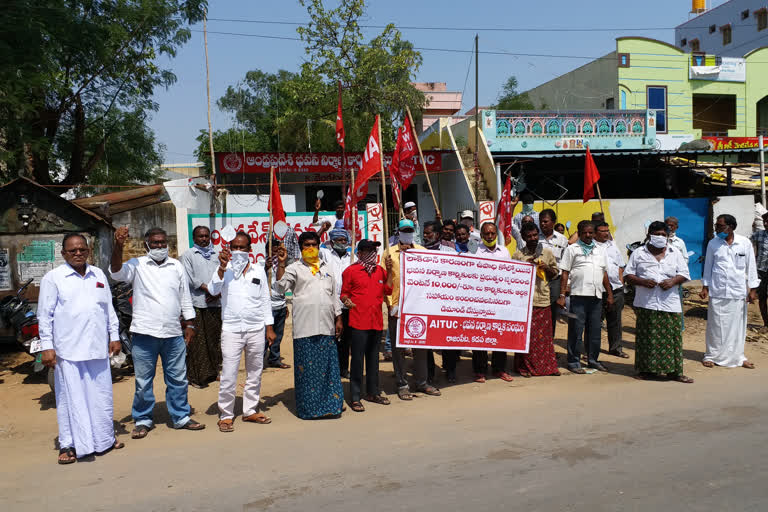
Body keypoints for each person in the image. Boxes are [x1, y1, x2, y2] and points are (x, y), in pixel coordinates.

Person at [110, 227, 205, 438]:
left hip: (173, 334)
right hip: (144, 334)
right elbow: (116, 271)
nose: (159, 246)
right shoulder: (137, 265)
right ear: (146, 245)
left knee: (178, 379)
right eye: (155, 243)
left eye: (163, 242)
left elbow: (185, 297)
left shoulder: (176, 266)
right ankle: (143, 419)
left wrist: (190, 324)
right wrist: (118, 245)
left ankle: (181, 417)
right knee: (143, 381)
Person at [38, 234, 124, 464]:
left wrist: (114, 335)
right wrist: (47, 346)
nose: (78, 253)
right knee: (70, 398)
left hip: (97, 348)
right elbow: (45, 316)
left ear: (88, 251)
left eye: (82, 249)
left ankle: (104, 439)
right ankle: (69, 443)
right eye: (72, 250)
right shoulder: (54, 278)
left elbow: (108, 309)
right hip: (68, 350)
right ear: (64, 253)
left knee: (100, 395)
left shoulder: (98, 275)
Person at [209, 232, 277, 432]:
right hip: (232, 329)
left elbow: (265, 299)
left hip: (255, 328)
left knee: (255, 372)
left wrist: (269, 327)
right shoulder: (224, 269)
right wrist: (221, 268)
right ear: (230, 249)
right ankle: (226, 415)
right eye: (235, 247)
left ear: (250, 249)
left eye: (242, 247)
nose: (238, 251)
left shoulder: (258, 270)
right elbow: (213, 290)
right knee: (229, 374)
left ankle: (250, 410)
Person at [276, 231, 345, 419]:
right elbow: (281, 287)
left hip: (326, 326)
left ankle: (332, 405)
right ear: (301, 248)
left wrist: (338, 318)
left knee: (329, 369)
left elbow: (333, 296)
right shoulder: (295, 268)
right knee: (307, 372)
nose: (311, 248)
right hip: (305, 328)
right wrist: (281, 263)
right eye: (307, 245)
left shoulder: (327, 267)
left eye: (314, 244)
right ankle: (310, 410)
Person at [624, 222, 693, 383]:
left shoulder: (674, 252)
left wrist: (673, 281)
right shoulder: (638, 253)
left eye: (663, 234)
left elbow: (684, 273)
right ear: (649, 235)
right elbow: (628, 275)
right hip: (646, 302)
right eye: (657, 234)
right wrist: (642, 281)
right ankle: (647, 371)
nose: (660, 237)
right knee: (646, 337)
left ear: (668, 235)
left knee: (673, 338)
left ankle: (675, 372)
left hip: (670, 302)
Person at [383, 219, 440, 400]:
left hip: (418, 307)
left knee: (420, 346)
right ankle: (402, 384)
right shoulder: (389, 253)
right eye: (404, 230)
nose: (407, 232)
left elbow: (432, 277)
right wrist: (390, 304)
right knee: (398, 347)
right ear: (398, 232)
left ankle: (422, 382)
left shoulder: (422, 252)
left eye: (410, 230)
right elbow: (384, 281)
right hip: (397, 306)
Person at [340, 240, 394, 412]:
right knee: (357, 361)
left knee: (373, 360)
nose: (372, 252)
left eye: (374, 249)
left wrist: (391, 270)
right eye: (368, 250)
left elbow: (389, 289)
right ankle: (355, 396)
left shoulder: (380, 271)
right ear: (360, 252)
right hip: (358, 322)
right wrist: (346, 301)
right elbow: (343, 294)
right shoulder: (351, 271)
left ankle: (373, 392)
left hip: (376, 322)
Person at [701, 214, 759, 369]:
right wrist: (705, 287)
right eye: (716, 225)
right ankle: (711, 355)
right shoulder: (713, 243)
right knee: (716, 326)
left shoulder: (744, 243)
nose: (716, 228)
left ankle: (739, 357)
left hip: (738, 291)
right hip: (718, 290)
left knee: (738, 326)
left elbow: (751, 267)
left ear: (731, 227)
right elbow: (708, 267)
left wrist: (752, 289)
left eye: (720, 226)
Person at [557, 220, 613, 374]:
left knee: (594, 331)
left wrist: (609, 293)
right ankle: (574, 361)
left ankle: (593, 360)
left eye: (591, 232)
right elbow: (565, 273)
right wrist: (562, 295)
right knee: (576, 330)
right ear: (579, 233)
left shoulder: (600, 250)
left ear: (594, 234)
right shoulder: (572, 249)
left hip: (596, 297)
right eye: (585, 233)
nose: (588, 235)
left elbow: (604, 273)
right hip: (578, 296)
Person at [512, 223, 561, 377]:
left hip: (543, 299)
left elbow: (555, 274)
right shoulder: (518, 255)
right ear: (524, 238)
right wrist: (525, 267)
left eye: (535, 235)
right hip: (525, 302)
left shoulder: (547, 253)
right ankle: (525, 367)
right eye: (529, 236)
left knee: (544, 338)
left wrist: (546, 267)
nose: (532, 238)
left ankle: (547, 367)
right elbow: (513, 278)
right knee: (526, 337)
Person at [180, 226, 222, 388]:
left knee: (213, 340)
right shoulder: (188, 256)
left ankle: (212, 372)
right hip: (196, 303)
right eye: (200, 236)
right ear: (194, 238)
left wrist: (217, 292)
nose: (204, 239)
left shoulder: (216, 254)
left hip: (215, 303)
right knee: (197, 341)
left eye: (206, 236)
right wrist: (209, 288)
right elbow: (190, 278)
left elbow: (223, 274)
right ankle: (196, 377)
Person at [473, 222, 515, 383]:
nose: (489, 237)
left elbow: (511, 273)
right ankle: (479, 371)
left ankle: (499, 369)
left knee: (499, 335)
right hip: (480, 300)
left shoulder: (504, 251)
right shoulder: (475, 251)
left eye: (492, 234)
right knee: (480, 335)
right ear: (481, 235)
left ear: (496, 235)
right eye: (486, 234)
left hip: (500, 301)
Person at [320, 225, 352, 378]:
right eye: (338, 240)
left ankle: (343, 369)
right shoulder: (325, 255)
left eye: (344, 239)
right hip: (329, 304)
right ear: (331, 242)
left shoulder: (353, 258)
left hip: (347, 306)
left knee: (345, 340)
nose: (342, 242)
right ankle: (330, 370)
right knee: (330, 338)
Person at [595, 221, 629, 358]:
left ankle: (615, 348)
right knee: (595, 322)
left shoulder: (612, 245)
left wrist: (620, 282)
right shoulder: (591, 246)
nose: (606, 233)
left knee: (615, 320)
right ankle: (592, 350)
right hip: (598, 289)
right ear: (596, 232)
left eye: (607, 230)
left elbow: (621, 264)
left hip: (616, 289)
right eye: (602, 231)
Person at [538, 209, 569, 336]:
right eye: (541, 222)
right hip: (538, 280)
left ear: (553, 222)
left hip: (555, 280)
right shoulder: (535, 237)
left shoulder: (562, 240)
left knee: (551, 312)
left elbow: (566, 263)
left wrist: (566, 285)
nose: (542, 224)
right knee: (539, 311)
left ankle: (549, 344)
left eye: (545, 221)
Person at [263, 238, 291, 369]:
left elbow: (284, 284)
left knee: (278, 335)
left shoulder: (283, 265)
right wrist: (265, 268)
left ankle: (274, 358)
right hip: (268, 306)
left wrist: (285, 304)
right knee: (264, 336)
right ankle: (259, 360)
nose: (275, 254)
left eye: (278, 251)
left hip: (280, 304)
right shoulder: (260, 264)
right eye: (273, 251)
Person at [665, 216, 690, 331]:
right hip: (662, 277)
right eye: (667, 225)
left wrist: (677, 271)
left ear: (676, 227)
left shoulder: (679, 242)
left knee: (677, 301)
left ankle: (678, 326)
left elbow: (685, 258)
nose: (669, 227)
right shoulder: (659, 239)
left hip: (675, 278)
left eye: (672, 225)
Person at [750, 211, 768, 329]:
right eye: (764, 221)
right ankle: (766, 323)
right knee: (762, 298)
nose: (766, 224)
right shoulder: (759, 235)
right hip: (761, 271)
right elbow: (746, 243)